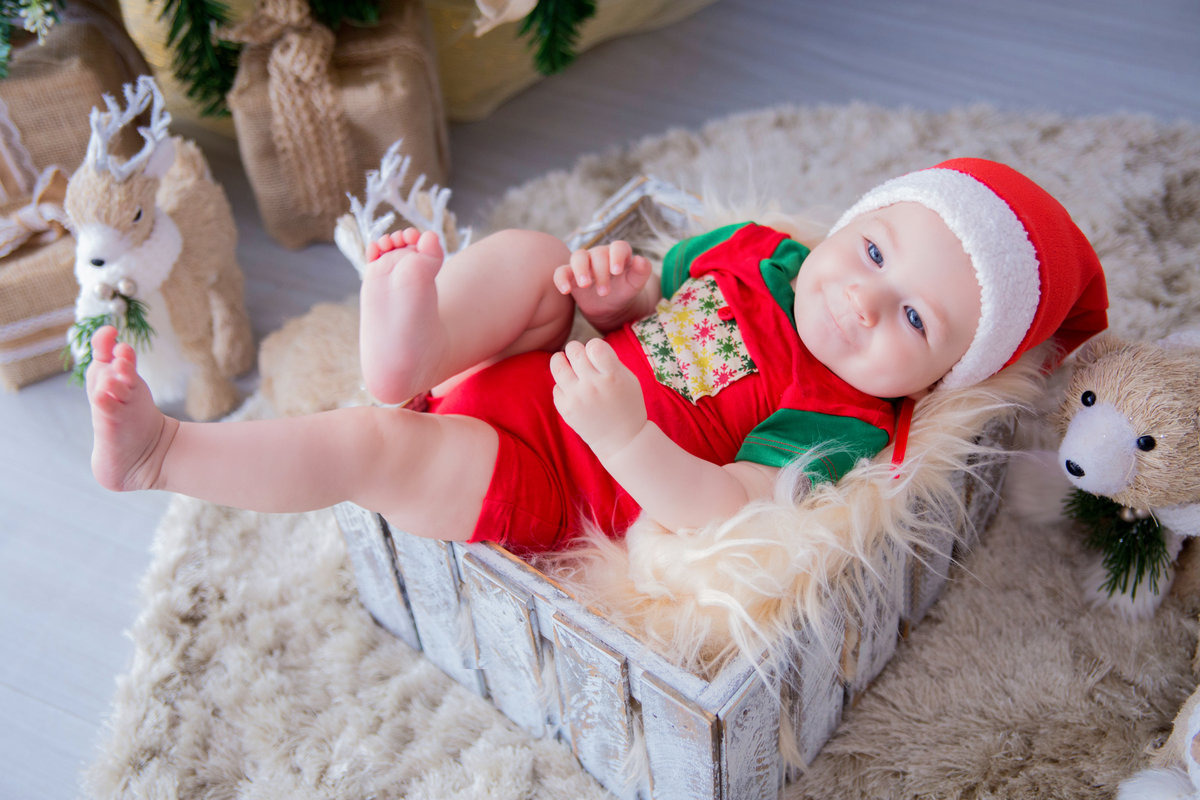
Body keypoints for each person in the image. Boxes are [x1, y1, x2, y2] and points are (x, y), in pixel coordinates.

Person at [84, 158, 1109, 553]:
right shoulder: (764, 251)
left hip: (554, 476)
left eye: (915, 320)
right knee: (539, 261)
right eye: (874, 248)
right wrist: (626, 290)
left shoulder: (844, 419)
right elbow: (669, 287)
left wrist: (620, 433)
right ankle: (415, 343)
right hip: (537, 364)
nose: (860, 295)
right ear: (851, 219)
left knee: (376, 447)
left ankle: (165, 450)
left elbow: (723, 507)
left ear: (942, 380)